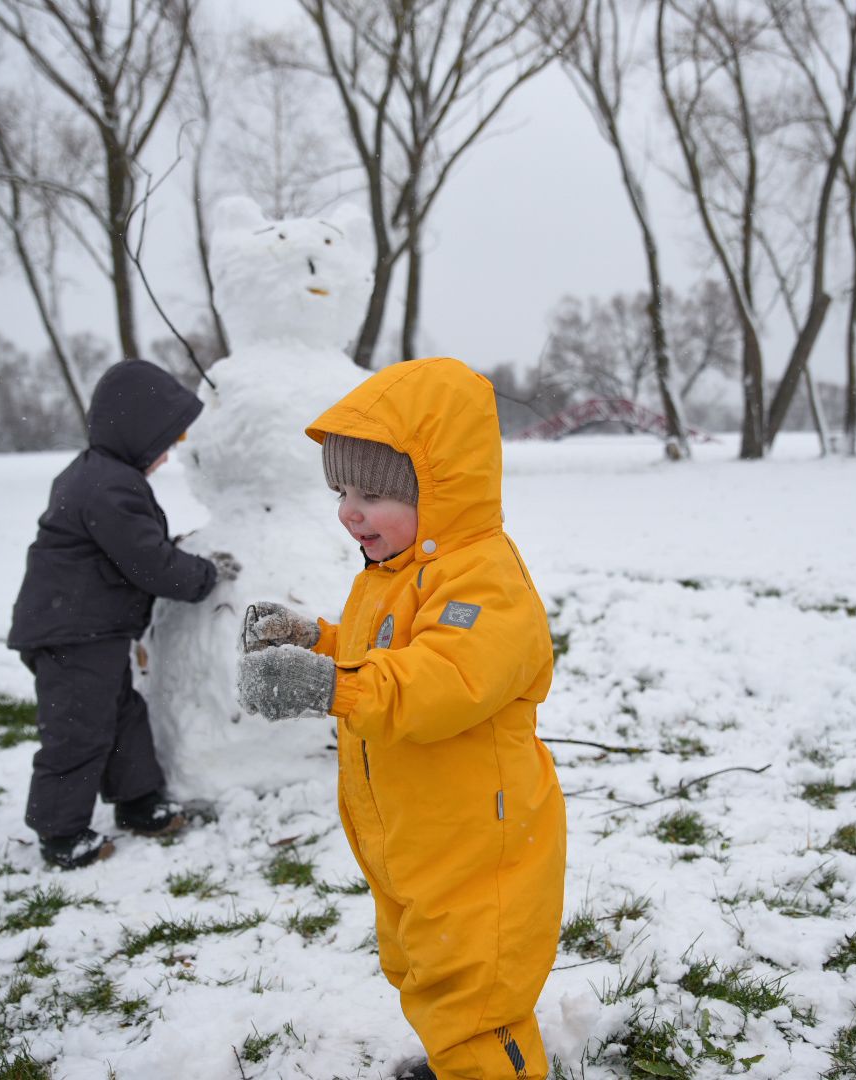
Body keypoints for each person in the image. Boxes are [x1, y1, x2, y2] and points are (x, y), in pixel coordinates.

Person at [236, 357, 566, 1080]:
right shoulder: (396, 574)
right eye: (342, 490)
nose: (350, 511)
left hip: (478, 843)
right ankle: (464, 1061)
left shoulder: (485, 579)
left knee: (473, 994)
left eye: (375, 493)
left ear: (440, 488)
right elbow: (376, 655)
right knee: (427, 972)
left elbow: (443, 679)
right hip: (416, 839)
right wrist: (312, 641)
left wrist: (330, 687)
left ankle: (485, 1063)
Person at [8, 358, 239, 871]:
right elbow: (148, 563)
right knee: (78, 731)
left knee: (120, 716)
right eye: (164, 440)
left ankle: (139, 803)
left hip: (87, 630)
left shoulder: (101, 477)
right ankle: (61, 832)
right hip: (71, 633)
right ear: (135, 430)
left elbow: (133, 548)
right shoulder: (110, 486)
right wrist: (202, 574)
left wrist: (170, 549)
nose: (168, 454)